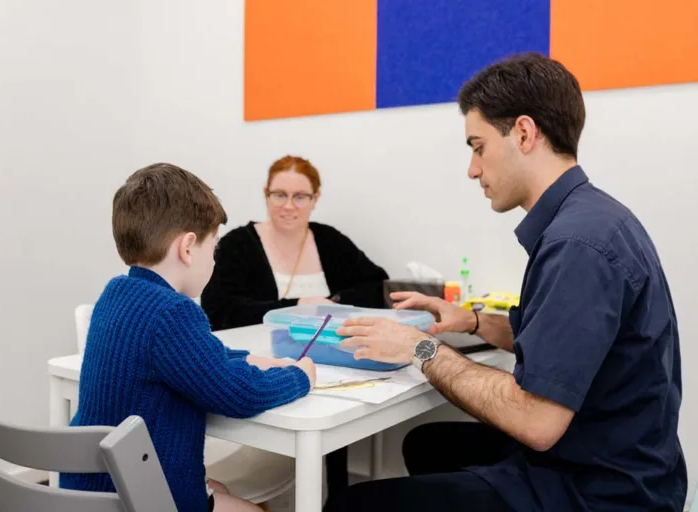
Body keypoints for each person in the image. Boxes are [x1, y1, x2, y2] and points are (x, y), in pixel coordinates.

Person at [326, 53, 687, 511]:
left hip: (599, 492)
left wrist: (418, 349)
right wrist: (473, 322)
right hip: (614, 458)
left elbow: (536, 421)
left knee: (352, 505)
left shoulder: (577, 243)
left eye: (478, 147)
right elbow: (566, 343)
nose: (473, 169)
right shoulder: (592, 217)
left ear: (523, 132)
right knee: (427, 444)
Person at [60, 163, 316, 512]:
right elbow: (239, 394)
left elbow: (197, 356)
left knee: (219, 486)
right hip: (141, 497)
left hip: (94, 487)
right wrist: (299, 376)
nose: (214, 261)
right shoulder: (173, 312)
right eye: (214, 249)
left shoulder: (117, 294)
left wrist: (244, 358)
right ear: (188, 248)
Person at [201, 155, 389, 498]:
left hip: (324, 364)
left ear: (315, 199)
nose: (288, 206)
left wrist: (332, 299)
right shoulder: (238, 245)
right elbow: (219, 310)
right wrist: (296, 307)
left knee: (333, 415)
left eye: (300, 196)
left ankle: (331, 497)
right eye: (279, 195)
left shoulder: (328, 241)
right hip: (258, 366)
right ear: (265, 195)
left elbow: (378, 284)